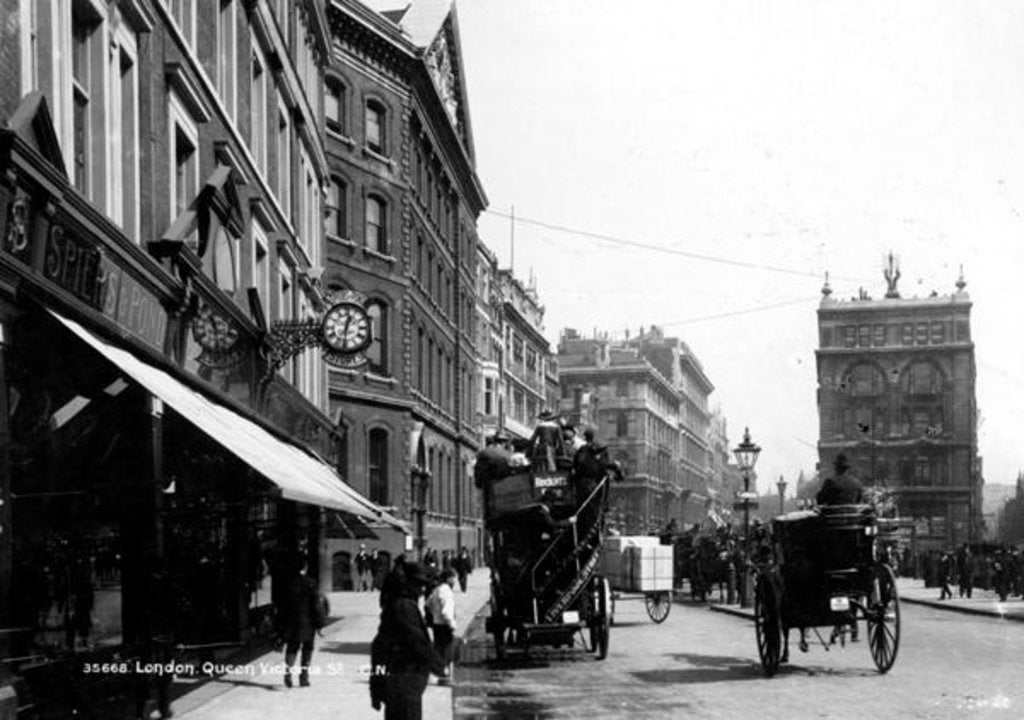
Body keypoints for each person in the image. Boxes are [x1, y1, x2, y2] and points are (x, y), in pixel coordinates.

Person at [371, 562, 445, 719]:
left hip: (398, 684)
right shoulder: (404, 607)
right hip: (405, 681)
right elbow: (417, 641)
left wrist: (376, 688)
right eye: (418, 584)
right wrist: (438, 665)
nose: (421, 590)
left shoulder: (396, 605)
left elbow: (378, 647)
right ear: (407, 584)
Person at [275, 554, 319, 688]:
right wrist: (319, 624)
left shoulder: (289, 585)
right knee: (307, 648)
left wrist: (280, 625)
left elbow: (283, 607)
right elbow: (315, 606)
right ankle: (304, 677)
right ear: (305, 567)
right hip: (308, 622)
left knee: (292, 648)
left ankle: (288, 674)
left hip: (293, 622)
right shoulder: (311, 583)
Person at [426, 568, 457, 685]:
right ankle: (445, 678)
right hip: (444, 625)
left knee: (439, 650)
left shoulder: (437, 589)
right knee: (447, 653)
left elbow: (427, 604)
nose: (455, 580)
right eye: (454, 577)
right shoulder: (446, 591)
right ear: (449, 578)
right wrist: (452, 624)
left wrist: (435, 614)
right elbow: (446, 612)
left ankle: (438, 675)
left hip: (436, 624)